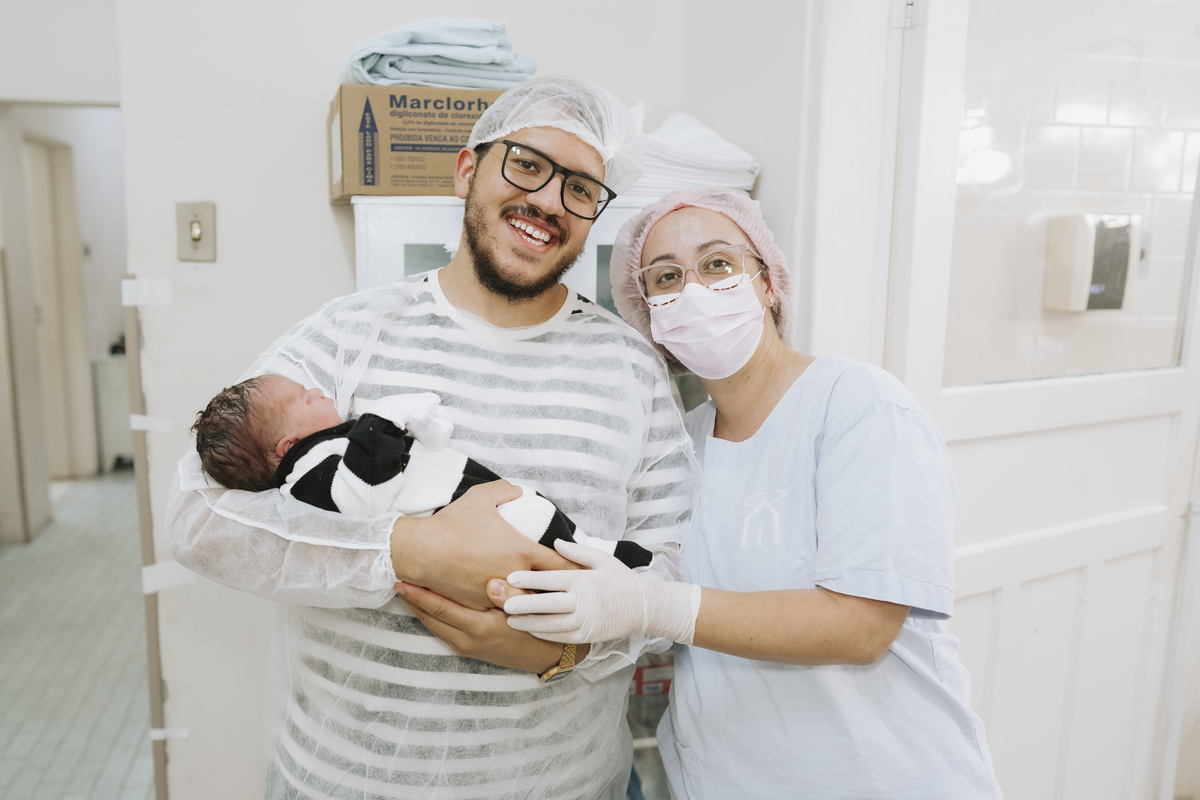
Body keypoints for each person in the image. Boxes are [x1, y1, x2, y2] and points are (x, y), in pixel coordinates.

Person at [167, 76, 697, 800]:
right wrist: (411, 550)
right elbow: (198, 520)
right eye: (527, 165)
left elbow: (673, 571)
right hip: (342, 784)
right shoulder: (346, 333)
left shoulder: (631, 368)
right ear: (467, 170)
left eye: (580, 188)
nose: (549, 200)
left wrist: (567, 647)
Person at [502, 187, 1004, 798]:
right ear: (651, 316)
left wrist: (651, 605)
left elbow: (861, 627)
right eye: (666, 278)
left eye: (718, 264)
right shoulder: (679, 446)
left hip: (877, 776)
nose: (693, 290)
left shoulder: (859, 407)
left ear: (768, 285)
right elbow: (653, 595)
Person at [190, 374, 653, 568]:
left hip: (478, 495)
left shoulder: (333, 445)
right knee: (542, 537)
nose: (319, 391)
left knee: (543, 520)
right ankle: (592, 556)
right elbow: (361, 499)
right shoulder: (306, 473)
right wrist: (381, 422)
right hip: (477, 522)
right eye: (304, 398)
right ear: (287, 446)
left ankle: (593, 548)